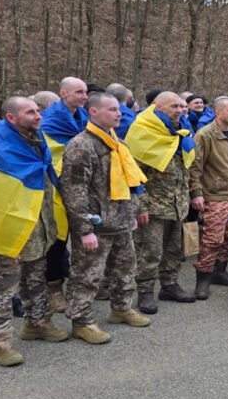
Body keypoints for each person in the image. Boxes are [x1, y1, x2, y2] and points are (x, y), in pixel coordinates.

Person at [0, 97, 68, 366]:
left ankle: (37, 323)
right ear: (12, 117)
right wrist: (3, 239)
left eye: (38, 111)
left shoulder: (38, 140)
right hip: (9, 230)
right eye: (31, 112)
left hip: (38, 226)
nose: (38, 116)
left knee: (35, 279)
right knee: (1, 289)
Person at [60, 93, 150, 344]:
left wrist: (131, 213)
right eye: (111, 109)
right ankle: (82, 321)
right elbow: (74, 189)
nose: (118, 113)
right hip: (96, 224)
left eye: (119, 110)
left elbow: (131, 183)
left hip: (120, 220)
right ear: (93, 113)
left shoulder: (118, 143)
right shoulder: (81, 145)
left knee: (124, 268)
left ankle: (121, 308)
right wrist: (84, 228)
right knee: (87, 274)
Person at [126, 92, 197, 311]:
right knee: (150, 251)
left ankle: (169, 284)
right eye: (173, 106)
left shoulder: (181, 132)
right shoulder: (143, 132)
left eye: (182, 106)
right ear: (157, 107)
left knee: (174, 249)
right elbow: (133, 175)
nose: (180, 110)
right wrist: (141, 206)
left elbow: (187, 169)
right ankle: (145, 291)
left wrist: (191, 196)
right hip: (153, 207)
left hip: (177, 204)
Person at [41, 77, 89, 312]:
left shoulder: (83, 118)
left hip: (81, 184)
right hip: (56, 186)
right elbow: (52, 154)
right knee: (57, 241)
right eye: (79, 92)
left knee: (84, 236)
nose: (84, 96)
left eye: (86, 92)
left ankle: (79, 286)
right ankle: (53, 289)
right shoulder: (49, 122)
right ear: (63, 93)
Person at [189, 96, 228, 300]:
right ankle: (203, 277)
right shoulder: (205, 135)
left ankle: (219, 271)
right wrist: (196, 193)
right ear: (218, 112)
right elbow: (195, 167)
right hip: (216, 195)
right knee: (212, 239)